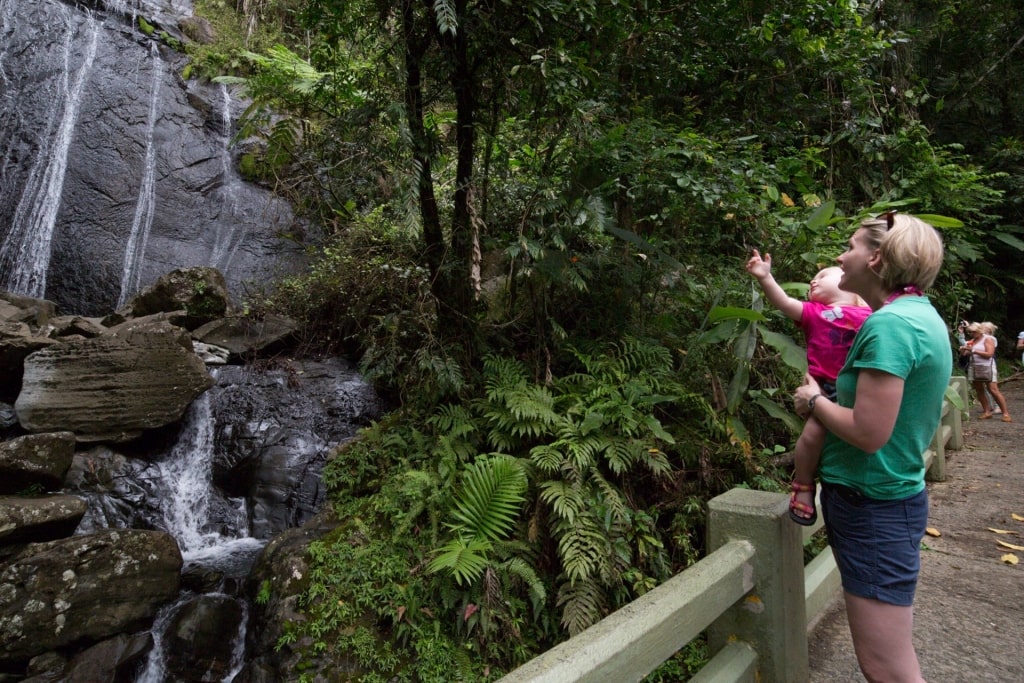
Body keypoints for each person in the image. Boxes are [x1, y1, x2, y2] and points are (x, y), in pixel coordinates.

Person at [793, 212, 950, 683]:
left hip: (873, 505)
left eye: (852, 247)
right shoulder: (919, 315)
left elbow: (867, 431)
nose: (842, 257)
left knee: (887, 668)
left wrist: (815, 400)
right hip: (887, 498)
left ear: (877, 259)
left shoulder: (891, 327)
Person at [745, 251, 871, 525]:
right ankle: (803, 485)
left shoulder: (871, 314)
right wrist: (766, 278)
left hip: (862, 389)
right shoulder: (814, 313)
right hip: (824, 389)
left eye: (823, 276)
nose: (814, 281)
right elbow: (785, 302)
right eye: (813, 278)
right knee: (811, 437)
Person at [960, 322, 1012, 422]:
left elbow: (989, 354)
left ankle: (1005, 413)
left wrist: (973, 350)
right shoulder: (972, 341)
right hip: (974, 367)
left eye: (974, 332)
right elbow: (966, 354)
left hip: (987, 367)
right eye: (970, 332)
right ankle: (986, 411)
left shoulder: (988, 339)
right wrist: (963, 350)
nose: (972, 334)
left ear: (979, 331)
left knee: (993, 390)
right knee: (979, 390)